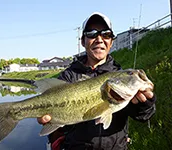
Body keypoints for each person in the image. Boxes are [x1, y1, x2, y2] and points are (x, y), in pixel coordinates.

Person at [38, 12, 156, 150]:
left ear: (111, 42)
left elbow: (143, 117)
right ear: (83, 41)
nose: (99, 39)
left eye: (106, 34)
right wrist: (48, 122)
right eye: (92, 33)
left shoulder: (118, 75)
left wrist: (144, 105)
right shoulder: (68, 77)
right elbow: (51, 123)